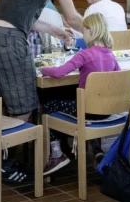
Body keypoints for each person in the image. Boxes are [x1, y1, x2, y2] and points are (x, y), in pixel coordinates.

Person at [0, 0, 84, 184]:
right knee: (25, 105)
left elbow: (18, 13)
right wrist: (99, 33)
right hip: (9, 37)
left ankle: (0, 160)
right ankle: (4, 165)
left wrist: (53, 30)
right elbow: (71, 17)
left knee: (3, 103)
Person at [38, 13, 121, 174]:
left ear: (90, 30)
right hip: (107, 111)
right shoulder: (110, 55)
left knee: (49, 105)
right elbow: (117, 77)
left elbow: (59, 72)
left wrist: (43, 69)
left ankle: (57, 154)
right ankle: (96, 149)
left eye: (83, 31)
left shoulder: (85, 54)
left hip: (86, 111)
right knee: (81, 98)